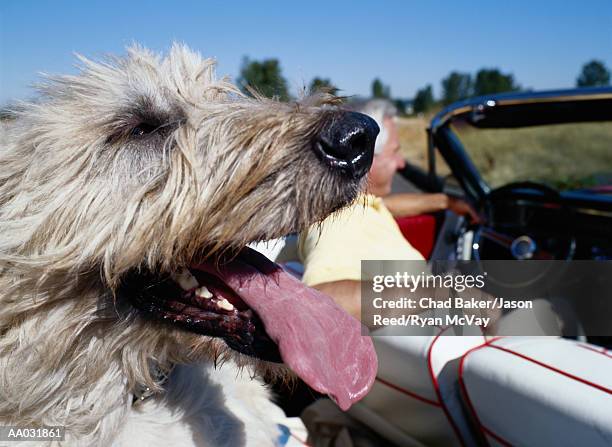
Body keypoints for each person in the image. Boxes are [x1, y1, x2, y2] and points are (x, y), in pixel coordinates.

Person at [299, 98, 479, 321]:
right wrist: (443, 291)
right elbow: (323, 299)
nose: (402, 163)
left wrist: (446, 202)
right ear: (362, 156)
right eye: (394, 152)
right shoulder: (341, 220)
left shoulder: (359, 206)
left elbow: (386, 205)